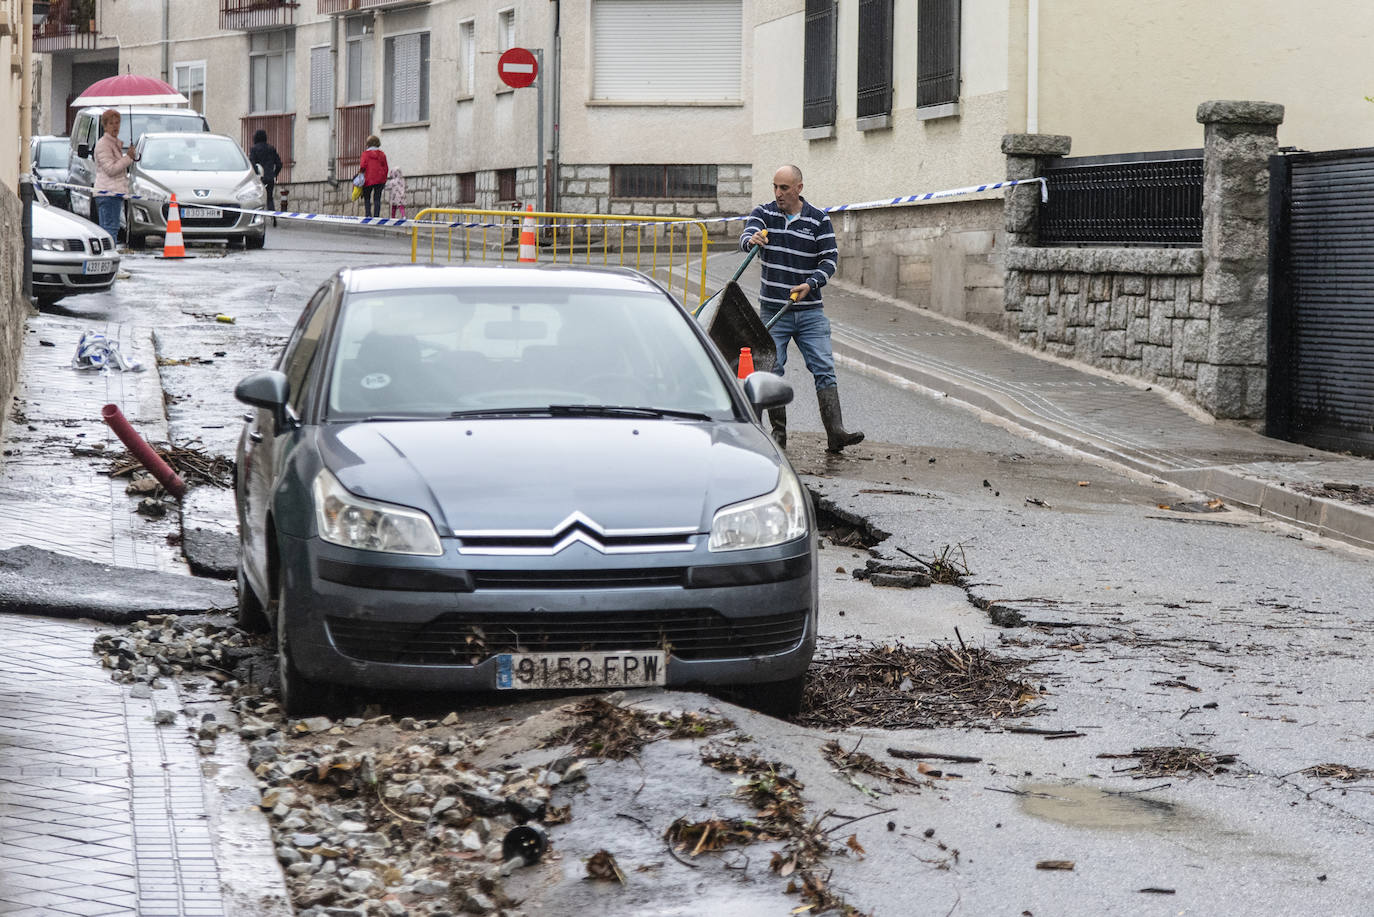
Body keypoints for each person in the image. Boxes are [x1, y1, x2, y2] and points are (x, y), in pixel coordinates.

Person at [740, 164, 863, 454]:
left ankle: (836, 433)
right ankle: (778, 437)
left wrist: (811, 283)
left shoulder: (818, 219)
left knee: (824, 368)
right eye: (775, 187)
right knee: (773, 369)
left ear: (799, 188)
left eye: (784, 188)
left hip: (809, 311)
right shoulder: (764, 214)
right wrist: (752, 240)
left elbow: (829, 260)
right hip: (774, 311)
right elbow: (747, 237)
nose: (778, 193)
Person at [93, 108, 139, 244]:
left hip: (114, 193)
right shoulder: (103, 144)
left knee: (112, 228)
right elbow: (111, 169)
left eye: (117, 123)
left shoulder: (114, 143)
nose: (115, 126)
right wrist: (128, 158)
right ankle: (108, 257)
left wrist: (128, 157)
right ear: (105, 126)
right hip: (108, 193)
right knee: (109, 230)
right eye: (111, 123)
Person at [248, 128, 283, 227]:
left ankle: (258, 219)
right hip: (270, 177)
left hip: (259, 178)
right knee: (269, 198)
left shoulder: (254, 149)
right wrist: (275, 174)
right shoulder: (271, 149)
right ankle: (273, 218)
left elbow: (252, 163)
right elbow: (279, 164)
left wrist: (255, 174)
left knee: (258, 199)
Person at [358, 135, 389, 219]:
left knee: (367, 197)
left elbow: (362, 166)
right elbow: (386, 167)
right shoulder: (382, 154)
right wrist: (384, 178)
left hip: (368, 179)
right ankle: (376, 217)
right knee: (377, 198)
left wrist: (360, 176)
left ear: (368, 144)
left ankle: (368, 215)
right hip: (380, 180)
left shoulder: (365, 154)